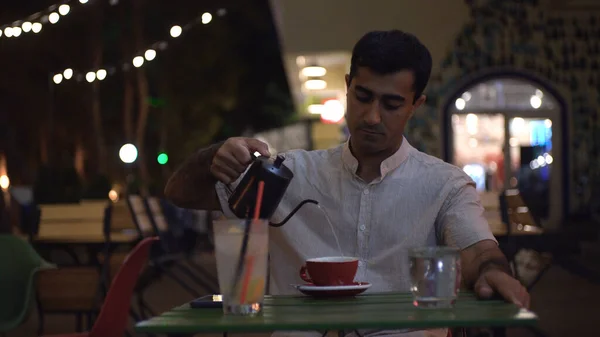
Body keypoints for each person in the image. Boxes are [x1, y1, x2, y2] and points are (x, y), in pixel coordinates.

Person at [165, 30, 529, 337]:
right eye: (363, 96)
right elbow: (179, 193)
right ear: (347, 87)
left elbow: (478, 251)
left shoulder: (444, 185)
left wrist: (493, 273)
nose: (372, 117)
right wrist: (216, 158)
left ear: (415, 105)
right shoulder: (290, 173)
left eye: (391, 104)